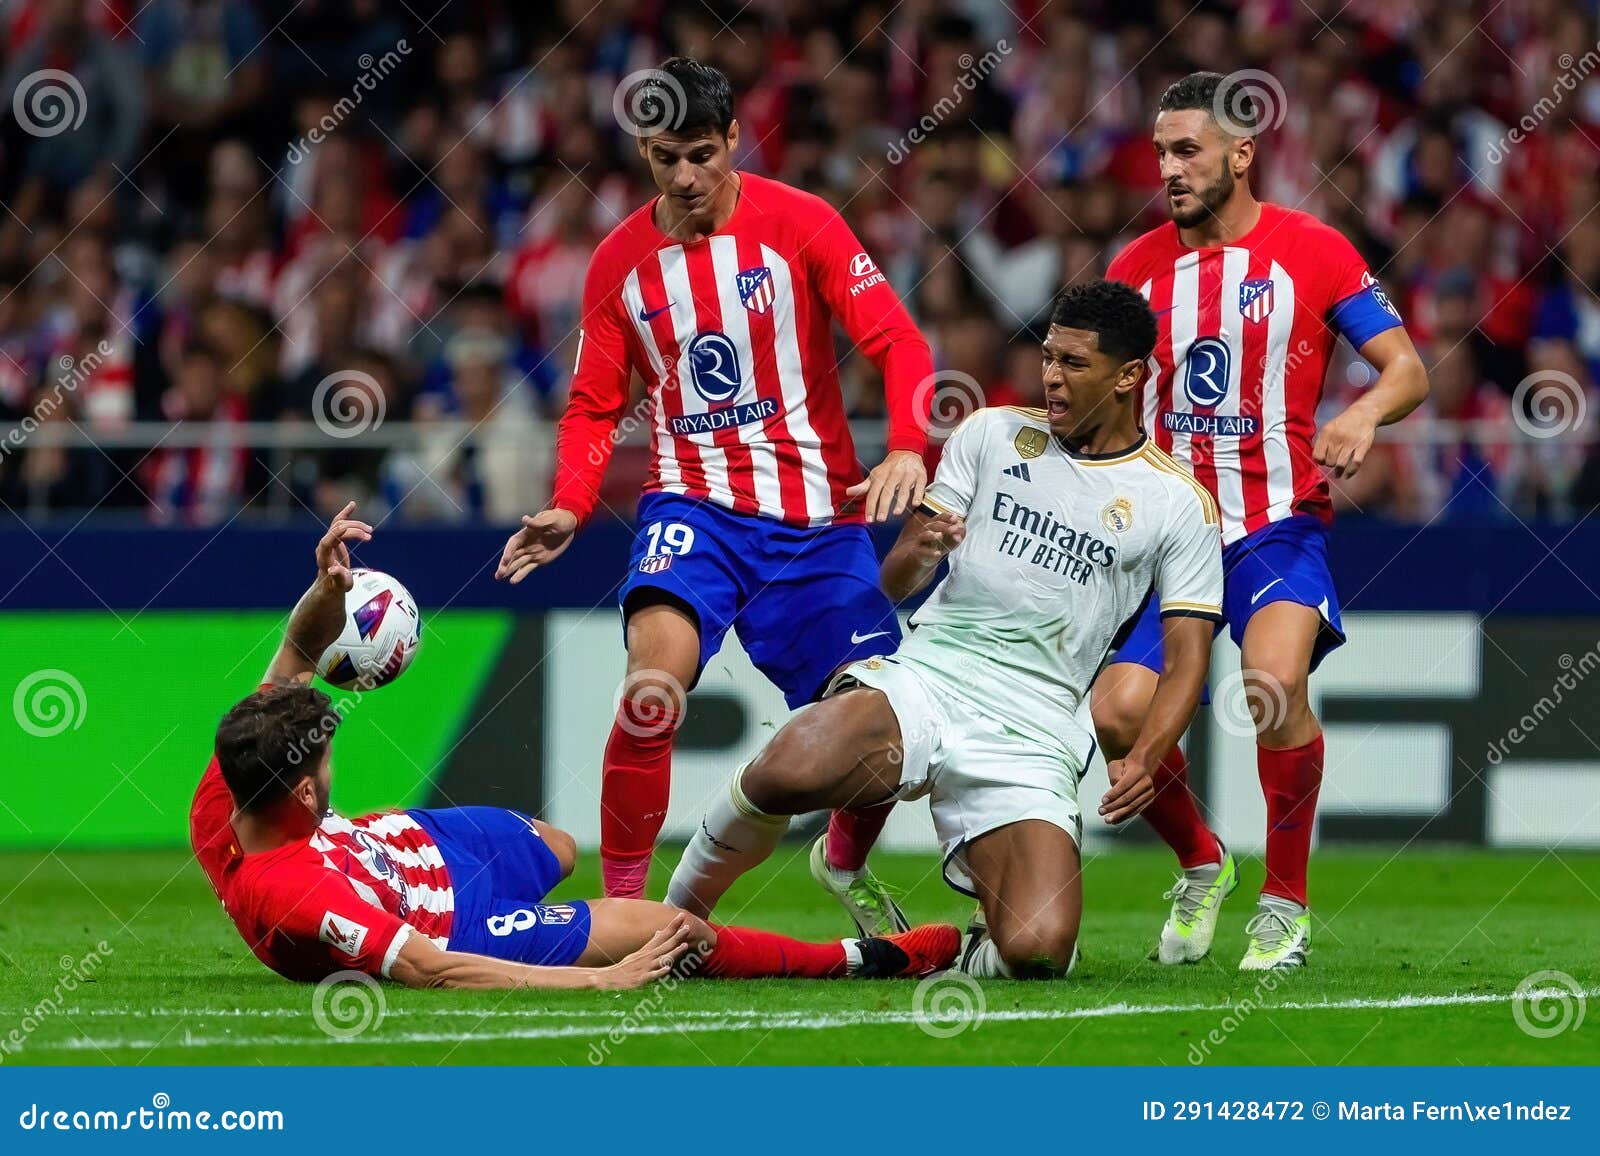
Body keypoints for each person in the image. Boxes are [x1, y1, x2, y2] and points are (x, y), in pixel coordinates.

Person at [665, 281, 1223, 978]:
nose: (1050, 375)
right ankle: (671, 919)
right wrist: (919, 554)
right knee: (787, 769)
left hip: (1038, 724)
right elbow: (893, 581)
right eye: (1048, 356)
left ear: (1129, 376)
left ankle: (956, 949)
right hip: (935, 675)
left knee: (1038, 951)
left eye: (1074, 364)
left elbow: (1188, 657)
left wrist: (1146, 756)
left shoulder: (1176, 501)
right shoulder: (990, 433)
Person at [494, 59, 935, 924]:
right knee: (651, 692)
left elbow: (899, 342)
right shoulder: (620, 262)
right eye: (666, 159)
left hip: (817, 523)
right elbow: (592, 407)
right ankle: (625, 911)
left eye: (702, 154)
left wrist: (910, 450)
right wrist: (572, 505)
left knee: (885, 730)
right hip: (692, 511)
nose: (687, 177)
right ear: (643, 154)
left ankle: (843, 861)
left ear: (735, 138)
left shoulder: (802, 224)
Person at [189, 503, 959, 989]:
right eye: (326, 758)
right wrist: (600, 981)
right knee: (668, 933)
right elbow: (431, 968)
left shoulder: (231, 780)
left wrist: (326, 595)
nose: (331, 754)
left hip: (402, 845)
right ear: (304, 794)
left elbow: (291, 657)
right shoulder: (294, 895)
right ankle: (866, 959)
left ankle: (571, 931)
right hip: (449, 923)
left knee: (555, 848)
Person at [1092, 72, 1429, 970]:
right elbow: (1093, 399)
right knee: (1118, 713)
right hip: (1165, 540)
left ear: (1241, 154)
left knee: (1271, 683)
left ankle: (1285, 902)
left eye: (1187, 150)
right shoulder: (1134, 270)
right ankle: (1203, 864)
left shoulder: (1311, 251)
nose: (1168, 168)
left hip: (1273, 525)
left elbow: (1407, 370)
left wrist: (1360, 414)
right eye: (1160, 151)